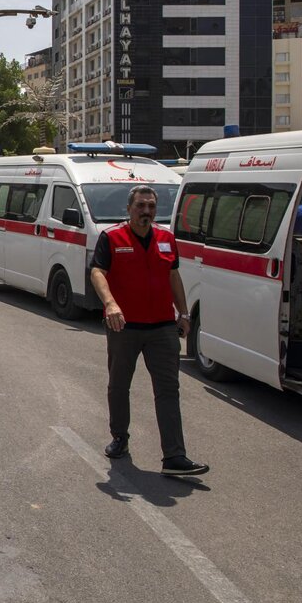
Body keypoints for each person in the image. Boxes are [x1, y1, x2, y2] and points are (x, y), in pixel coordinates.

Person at [90, 184, 208, 477]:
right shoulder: (111, 237)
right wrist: (111, 304)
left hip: (162, 327)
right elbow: (97, 272)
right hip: (124, 326)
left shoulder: (167, 238)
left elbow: (173, 275)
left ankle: (174, 456)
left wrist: (182, 312)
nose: (146, 211)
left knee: (168, 390)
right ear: (129, 209)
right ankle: (120, 438)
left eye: (151, 207)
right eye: (141, 206)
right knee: (119, 385)